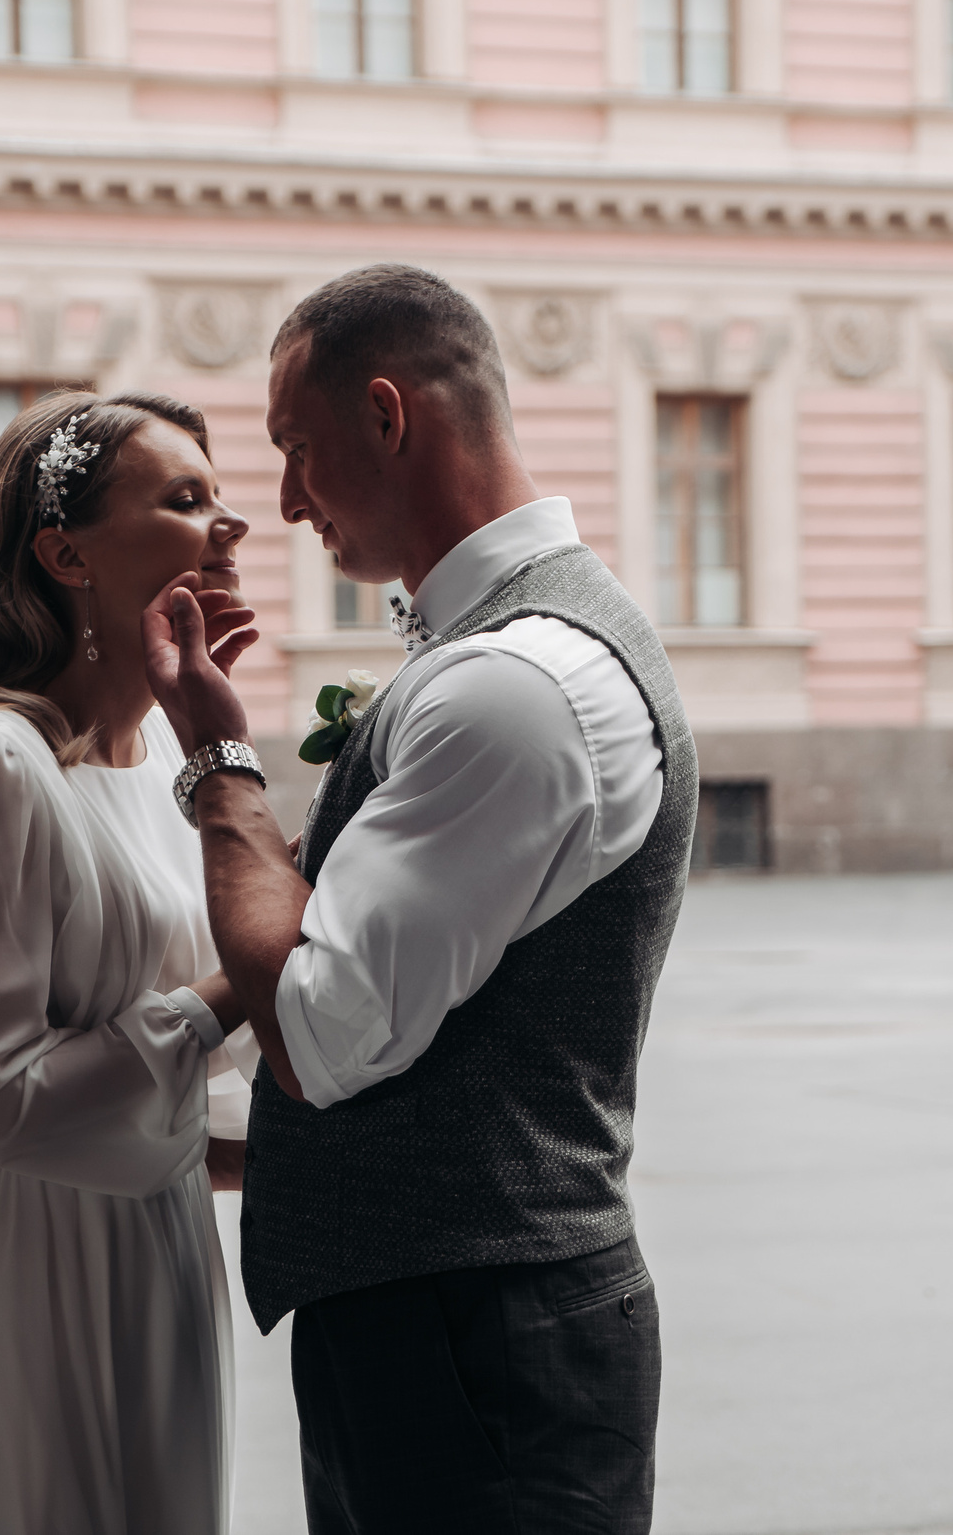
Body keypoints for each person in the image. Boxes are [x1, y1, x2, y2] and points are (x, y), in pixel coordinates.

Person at [143, 265, 699, 1534]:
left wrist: (218, 760)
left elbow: (329, 1035)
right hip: (460, 1333)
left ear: (388, 418)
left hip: (472, 1355)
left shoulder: (512, 686)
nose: (281, 504)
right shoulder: (504, 652)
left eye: (295, 449)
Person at [0, 390, 266, 1535]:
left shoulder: (167, 765)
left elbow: (182, 1080)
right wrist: (255, 973)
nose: (231, 524)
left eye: (218, 496)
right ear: (65, 552)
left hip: (161, 1258)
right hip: (29, 1277)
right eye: (185, 500)